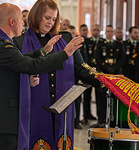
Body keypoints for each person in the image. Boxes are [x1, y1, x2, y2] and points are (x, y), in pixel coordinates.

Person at [0, 2, 84, 150]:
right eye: (21, 20)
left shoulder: (2, 43)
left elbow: (23, 60)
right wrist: (64, 54)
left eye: (53, 19)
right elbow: (32, 65)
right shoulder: (3, 46)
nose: (24, 23)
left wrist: (43, 51)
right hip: (5, 121)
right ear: (12, 22)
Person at [13, 0, 100, 150]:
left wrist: (106, 82)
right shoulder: (19, 42)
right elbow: (17, 73)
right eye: (47, 18)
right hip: (34, 111)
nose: (50, 23)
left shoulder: (65, 39)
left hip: (62, 110)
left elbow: (81, 70)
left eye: (54, 19)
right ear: (36, 15)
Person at [95, 25, 125, 127]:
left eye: (112, 31)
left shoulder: (118, 44)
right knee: (102, 97)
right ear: (105, 32)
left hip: (115, 74)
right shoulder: (100, 44)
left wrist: (115, 67)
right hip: (104, 74)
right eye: (108, 31)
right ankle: (101, 119)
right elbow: (98, 58)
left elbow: (122, 59)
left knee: (114, 97)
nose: (110, 33)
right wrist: (106, 67)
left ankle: (113, 119)